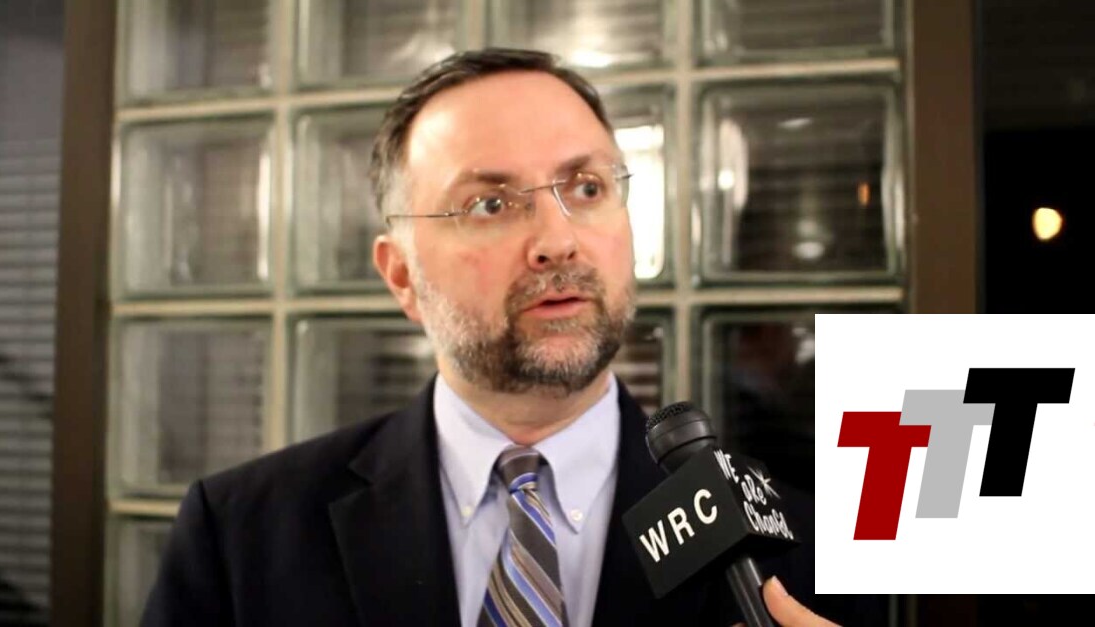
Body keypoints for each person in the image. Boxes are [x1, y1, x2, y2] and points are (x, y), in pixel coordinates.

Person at [141, 48, 886, 626]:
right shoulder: (240, 537)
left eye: (586, 188)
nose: (557, 241)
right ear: (401, 275)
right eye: (490, 203)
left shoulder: (804, 547)